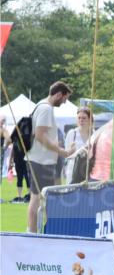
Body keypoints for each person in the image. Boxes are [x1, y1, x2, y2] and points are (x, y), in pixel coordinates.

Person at [26, 81, 74, 232]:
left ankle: (32, 232)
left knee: (38, 199)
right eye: (64, 99)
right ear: (58, 94)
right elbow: (40, 135)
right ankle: (32, 233)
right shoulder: (46, 108)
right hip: (41, 161)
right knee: (37, 199)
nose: (64, 102)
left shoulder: (40, 105)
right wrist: (61, 151)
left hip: (38, 159)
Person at [64, 107, 94, 184]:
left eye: (84, 118)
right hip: (73, 171)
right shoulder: (72, 133)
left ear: (90, 120)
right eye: (79, 118)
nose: (81, 120)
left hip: (89, 171)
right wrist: (71, 151)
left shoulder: (94, 134)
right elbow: (66, 155)